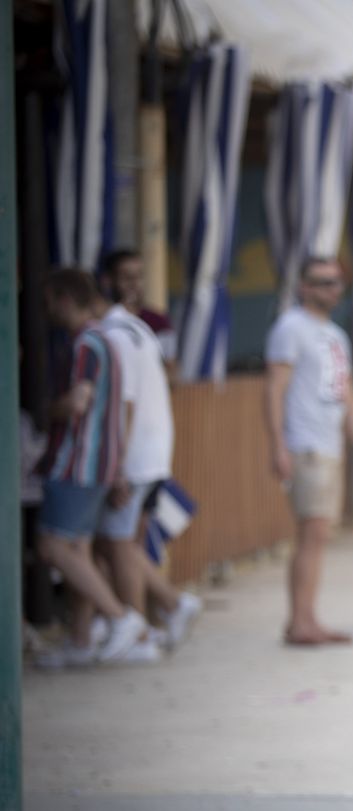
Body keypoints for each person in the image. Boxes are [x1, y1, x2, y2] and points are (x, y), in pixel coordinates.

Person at [34, 269, 156, 665]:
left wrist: (44, 412)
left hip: (77, 461)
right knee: (79, 552)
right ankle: (81, 642)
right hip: (100, 463)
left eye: (49, 301)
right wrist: (117, 466)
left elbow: (77, 403)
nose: (45, 310)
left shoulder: (86, 343)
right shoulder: (108, 341)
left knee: (52, 545)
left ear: (65, 299)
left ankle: (122, 618)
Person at [263, 257, 353, 646]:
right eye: (321, 282)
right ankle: (300, 621)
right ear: (303, 286)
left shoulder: (335, 334)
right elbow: (274, 389)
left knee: (318, 535)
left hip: (330, 444)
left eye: (336, 282)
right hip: (305, 443)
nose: (331, 289)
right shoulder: (291, 328)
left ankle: (306, 617)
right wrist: (277, 445)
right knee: (311, 532)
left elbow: (347, 393)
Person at [92, 272, 203, 646]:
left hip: (132, 458)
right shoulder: (138, 330)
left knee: (118, 544)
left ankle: (140, 631)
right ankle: (165, 609)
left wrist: (116, 466)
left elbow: (124, 404)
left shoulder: (114, 337)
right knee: (118, 543)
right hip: (153, 453)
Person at [100, 248, 175, 359]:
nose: (134, 283)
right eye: (127, 277)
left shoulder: (158, 322)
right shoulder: (100, 321)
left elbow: (169, 368)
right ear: (108, 280)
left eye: (139, 276)